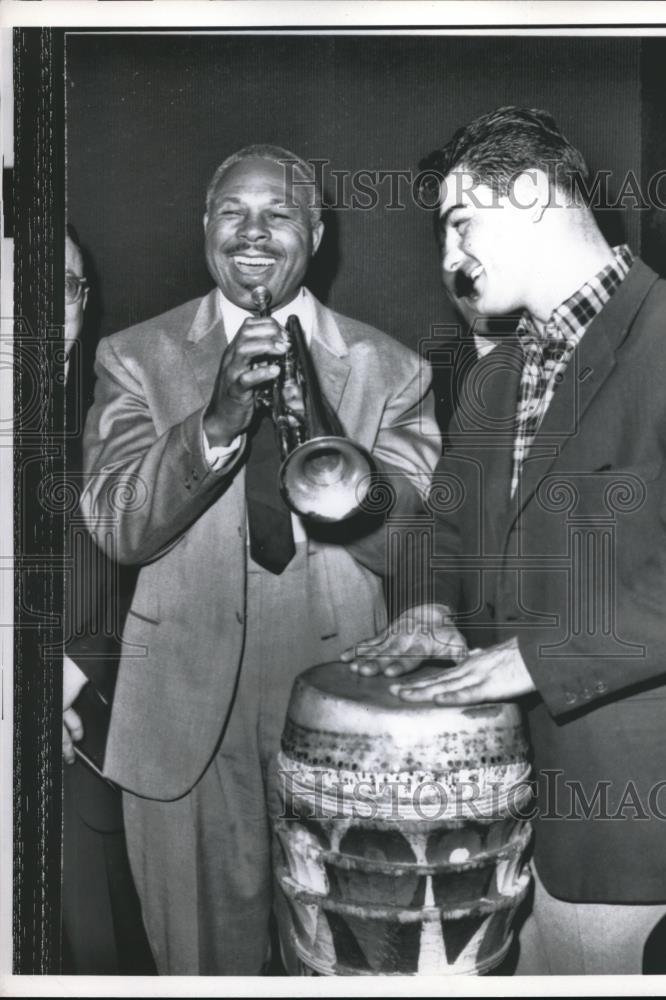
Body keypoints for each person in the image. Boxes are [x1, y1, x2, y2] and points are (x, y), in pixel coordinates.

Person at [78, 145, 441, 975]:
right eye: (232, 213)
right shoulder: (135, 356)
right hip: (184, 723)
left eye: (278, 214)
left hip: (343, 709)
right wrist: (212, 425)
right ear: (205, 228)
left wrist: (340, 459)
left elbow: (419, 549)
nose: (253, 233)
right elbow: (115, 526)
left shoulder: (393, 369)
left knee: (356, 964)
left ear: (315, 232)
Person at [346, 107, 666, 975]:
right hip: (507, 823)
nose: (447, 259)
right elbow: (441, 525)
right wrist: (427, 602)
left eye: (460, 223)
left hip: (638, 841)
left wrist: (529, 660)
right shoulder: (496, 377)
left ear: (533, 192)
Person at [61, 227, 155, 974]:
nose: (40, 303)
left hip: (83, 751)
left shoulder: (116, 420)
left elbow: (157, 592)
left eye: (63, 285)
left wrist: (59, 678)